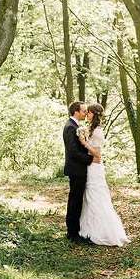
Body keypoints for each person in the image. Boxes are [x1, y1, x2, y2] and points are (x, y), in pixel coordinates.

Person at [75, 102, 129, 246]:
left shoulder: (98, 132)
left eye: (90, 112)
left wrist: (84, 143)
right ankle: (87, 229)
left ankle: (102, 232)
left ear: (95, 115)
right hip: (90, 165)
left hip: (95, 167)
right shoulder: (90, 129)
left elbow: (98, 155)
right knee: (89, 197)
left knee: (96, 197)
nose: (87, 114)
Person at [62, 101, 95, 243]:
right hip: (76, 169)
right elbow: (73, 151)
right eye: (83, 111)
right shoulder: (70, 127)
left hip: (78, 169)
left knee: (76, 200)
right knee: (75, 201)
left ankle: (74, 231)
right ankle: (72, 233)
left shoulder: (75, 126)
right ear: (76, 111)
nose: (85, 113)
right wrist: (90, 158)